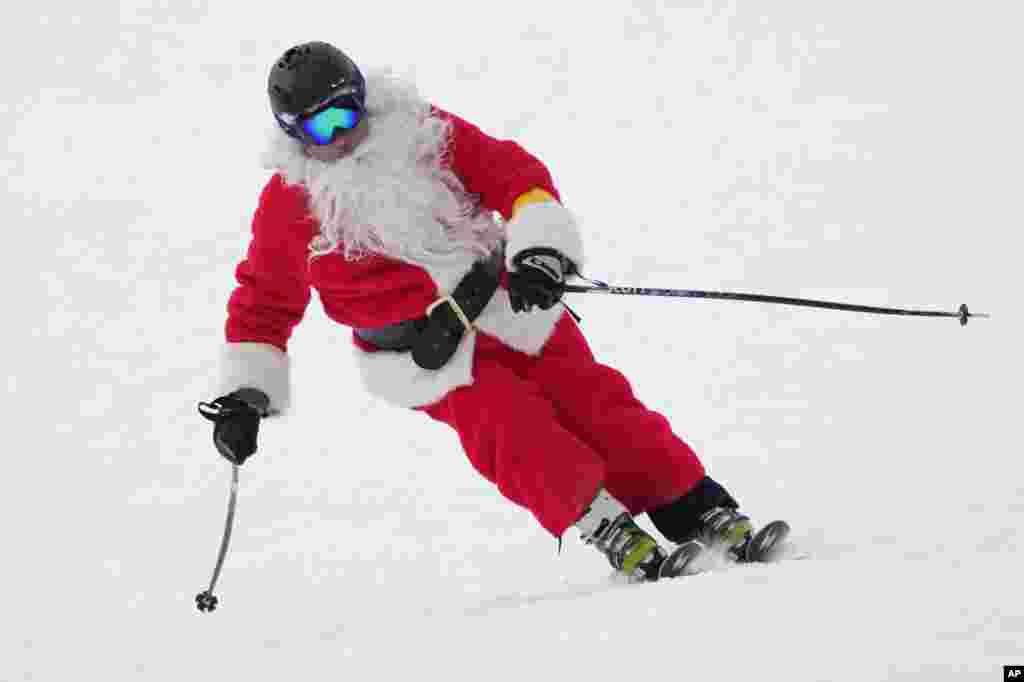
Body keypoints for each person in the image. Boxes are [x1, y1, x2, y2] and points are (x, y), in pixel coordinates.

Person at [199, 41, 767, 582]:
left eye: (347, 112)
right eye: (321, 128)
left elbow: (514, 176)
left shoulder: (425, 134)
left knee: (596, 402)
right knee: (510, 426)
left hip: (507, 304)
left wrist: (540, 253)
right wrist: (245, 397)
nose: (342, 135)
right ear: (294, 136)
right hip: (431, 355)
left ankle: (695, 507)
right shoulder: (290, 207)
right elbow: (263, 300)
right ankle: (606, 526)